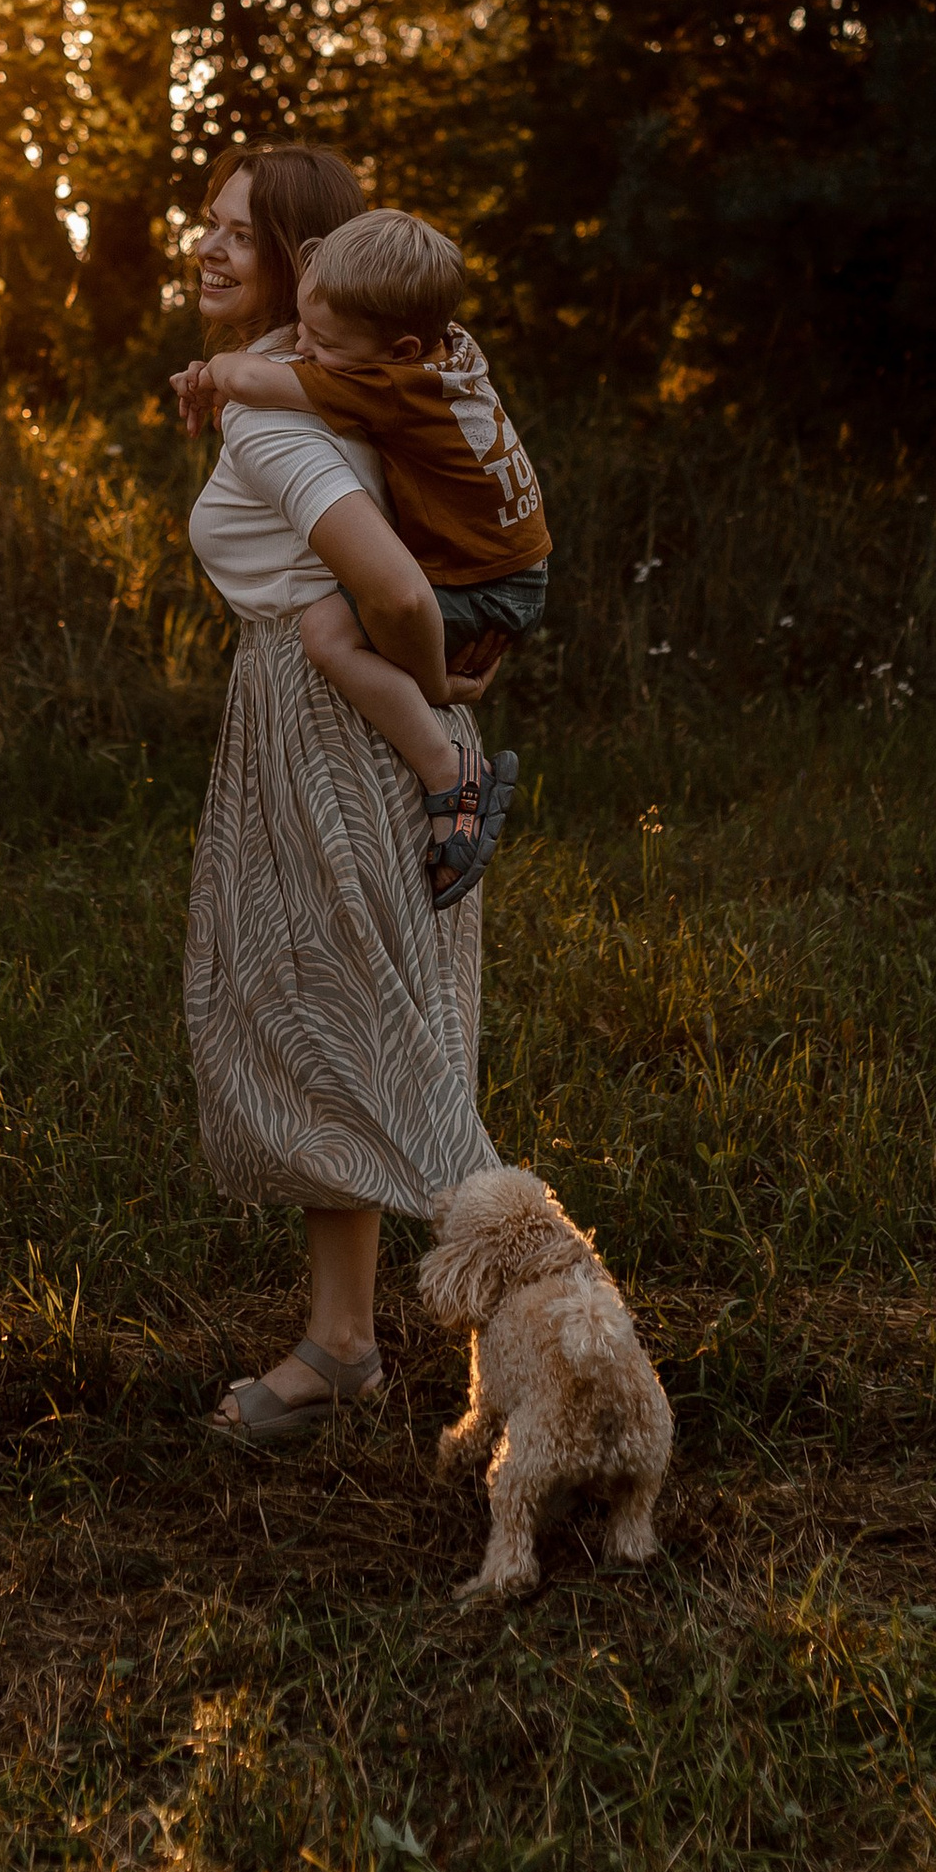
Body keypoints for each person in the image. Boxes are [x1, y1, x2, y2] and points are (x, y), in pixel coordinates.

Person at [180, 145, 502, 1448]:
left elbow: (400, 593)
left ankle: (562, 1342)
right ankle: (343, 1341)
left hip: (335, 740)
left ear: (302, 261)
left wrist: (436, 706)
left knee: (395, 1059)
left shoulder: (279, 415)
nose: (207, 247)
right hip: (320, 730)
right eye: (204, 224)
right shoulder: (337, 383)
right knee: (342, 1032)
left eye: (239, 235)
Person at [173, 203, 547, 907]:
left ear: (400, 349)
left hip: (487, 582)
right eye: (303, 332)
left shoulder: (393, 386)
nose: (306, 351)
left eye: (322, 341)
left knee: (327, 631)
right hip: (507, 565)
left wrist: (214, 371)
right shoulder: (451, 353)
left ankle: (451, 772)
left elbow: (254, 383)